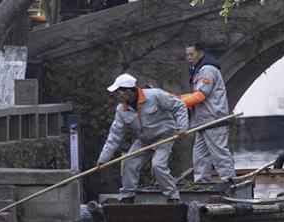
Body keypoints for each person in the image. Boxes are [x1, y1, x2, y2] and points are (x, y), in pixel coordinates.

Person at [97, 73, 189, 203]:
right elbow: (114, 135)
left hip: (165, 136)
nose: (116, 96)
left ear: (128, 92)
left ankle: (172, 196)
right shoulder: (121, 110)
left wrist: (182, 127)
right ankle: (127, 197)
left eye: (118, 93)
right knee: (129, 162)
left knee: (157, 165)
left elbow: (179, 105)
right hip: (144, 140)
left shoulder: (154, 95)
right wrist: (103, 159)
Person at [179, 43, 236, 183]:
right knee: (199, 156)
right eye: (187, 55)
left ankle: (229, 181)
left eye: (191, 54)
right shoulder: (198, 71)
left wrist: (177, 104)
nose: (189, 58)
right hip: (202, 122)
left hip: (214, 120)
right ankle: (201, 184)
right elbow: (195, 95)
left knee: (219, 153)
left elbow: (200, 95)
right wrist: (176, 99)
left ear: (201, 54)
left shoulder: (207, 70)